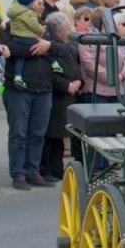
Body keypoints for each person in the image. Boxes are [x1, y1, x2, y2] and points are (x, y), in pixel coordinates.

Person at [1, 0, 55, 190]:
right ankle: (18, 174)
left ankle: (33, 170)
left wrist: (48, 46)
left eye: (42, 4)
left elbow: (59, 46)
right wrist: (38, 49)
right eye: (38, 3)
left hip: (44, 87)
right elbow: (9, 47)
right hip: (19, 89)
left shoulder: (45, 27)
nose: (41, 6)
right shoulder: (9, 26)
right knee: (18, 133)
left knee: (37, 134)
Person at [39, 11, 82, 182]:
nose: (69, 31)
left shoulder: (65, 46)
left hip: (69, 94)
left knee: (59, 135)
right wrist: (66, 85)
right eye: (66, 29)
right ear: (58, 30)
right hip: (58, 96)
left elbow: (74, 67)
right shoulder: (52, 48)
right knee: (52, 136)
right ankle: (49, 169)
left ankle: (57, 169)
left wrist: (78, 81)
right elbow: (52, 73)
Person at [75, 7, 123, 104]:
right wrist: (112, 77)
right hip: (97, 93)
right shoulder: (87, 39)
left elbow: (124, 59)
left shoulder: (114, 38)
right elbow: (89, 64)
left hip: (117, 92)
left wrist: (122, 75)